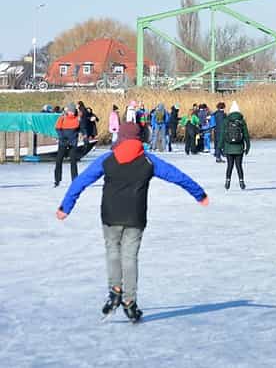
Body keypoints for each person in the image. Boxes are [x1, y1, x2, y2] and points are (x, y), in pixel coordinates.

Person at [56, 123, 208, 323]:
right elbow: (177, 176)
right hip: (135, 217)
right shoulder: (148, 160)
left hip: (110, 215)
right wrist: (199, 194)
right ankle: (129, 302)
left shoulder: (108, 159)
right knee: (129, 258)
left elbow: (81, 181)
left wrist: (66, 207)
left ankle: (115, 291)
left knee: (112, 252)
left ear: (121, 137)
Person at [218, 102, 250, 189]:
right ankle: (241, 181)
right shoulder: (241, 121)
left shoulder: (226, 121)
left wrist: (219, 147)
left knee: (230, 165)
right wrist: (248, 146)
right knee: (239, 166)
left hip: (228, 148)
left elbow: (222, 135)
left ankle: (227, 181)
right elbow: (246, 135)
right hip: (239, 148)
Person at [54, 106, 81, 188]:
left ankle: (75, 180)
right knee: (59, 161)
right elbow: (57, 129)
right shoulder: (62, 118)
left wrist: (84, 135)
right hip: (63, 142)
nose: (71, 113)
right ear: (67, 112)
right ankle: (57, 180)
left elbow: (81, 129)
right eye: (70, 111)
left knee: (73, 162)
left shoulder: (77, 119)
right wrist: (62, 138)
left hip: (73, 143)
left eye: (72, 112)